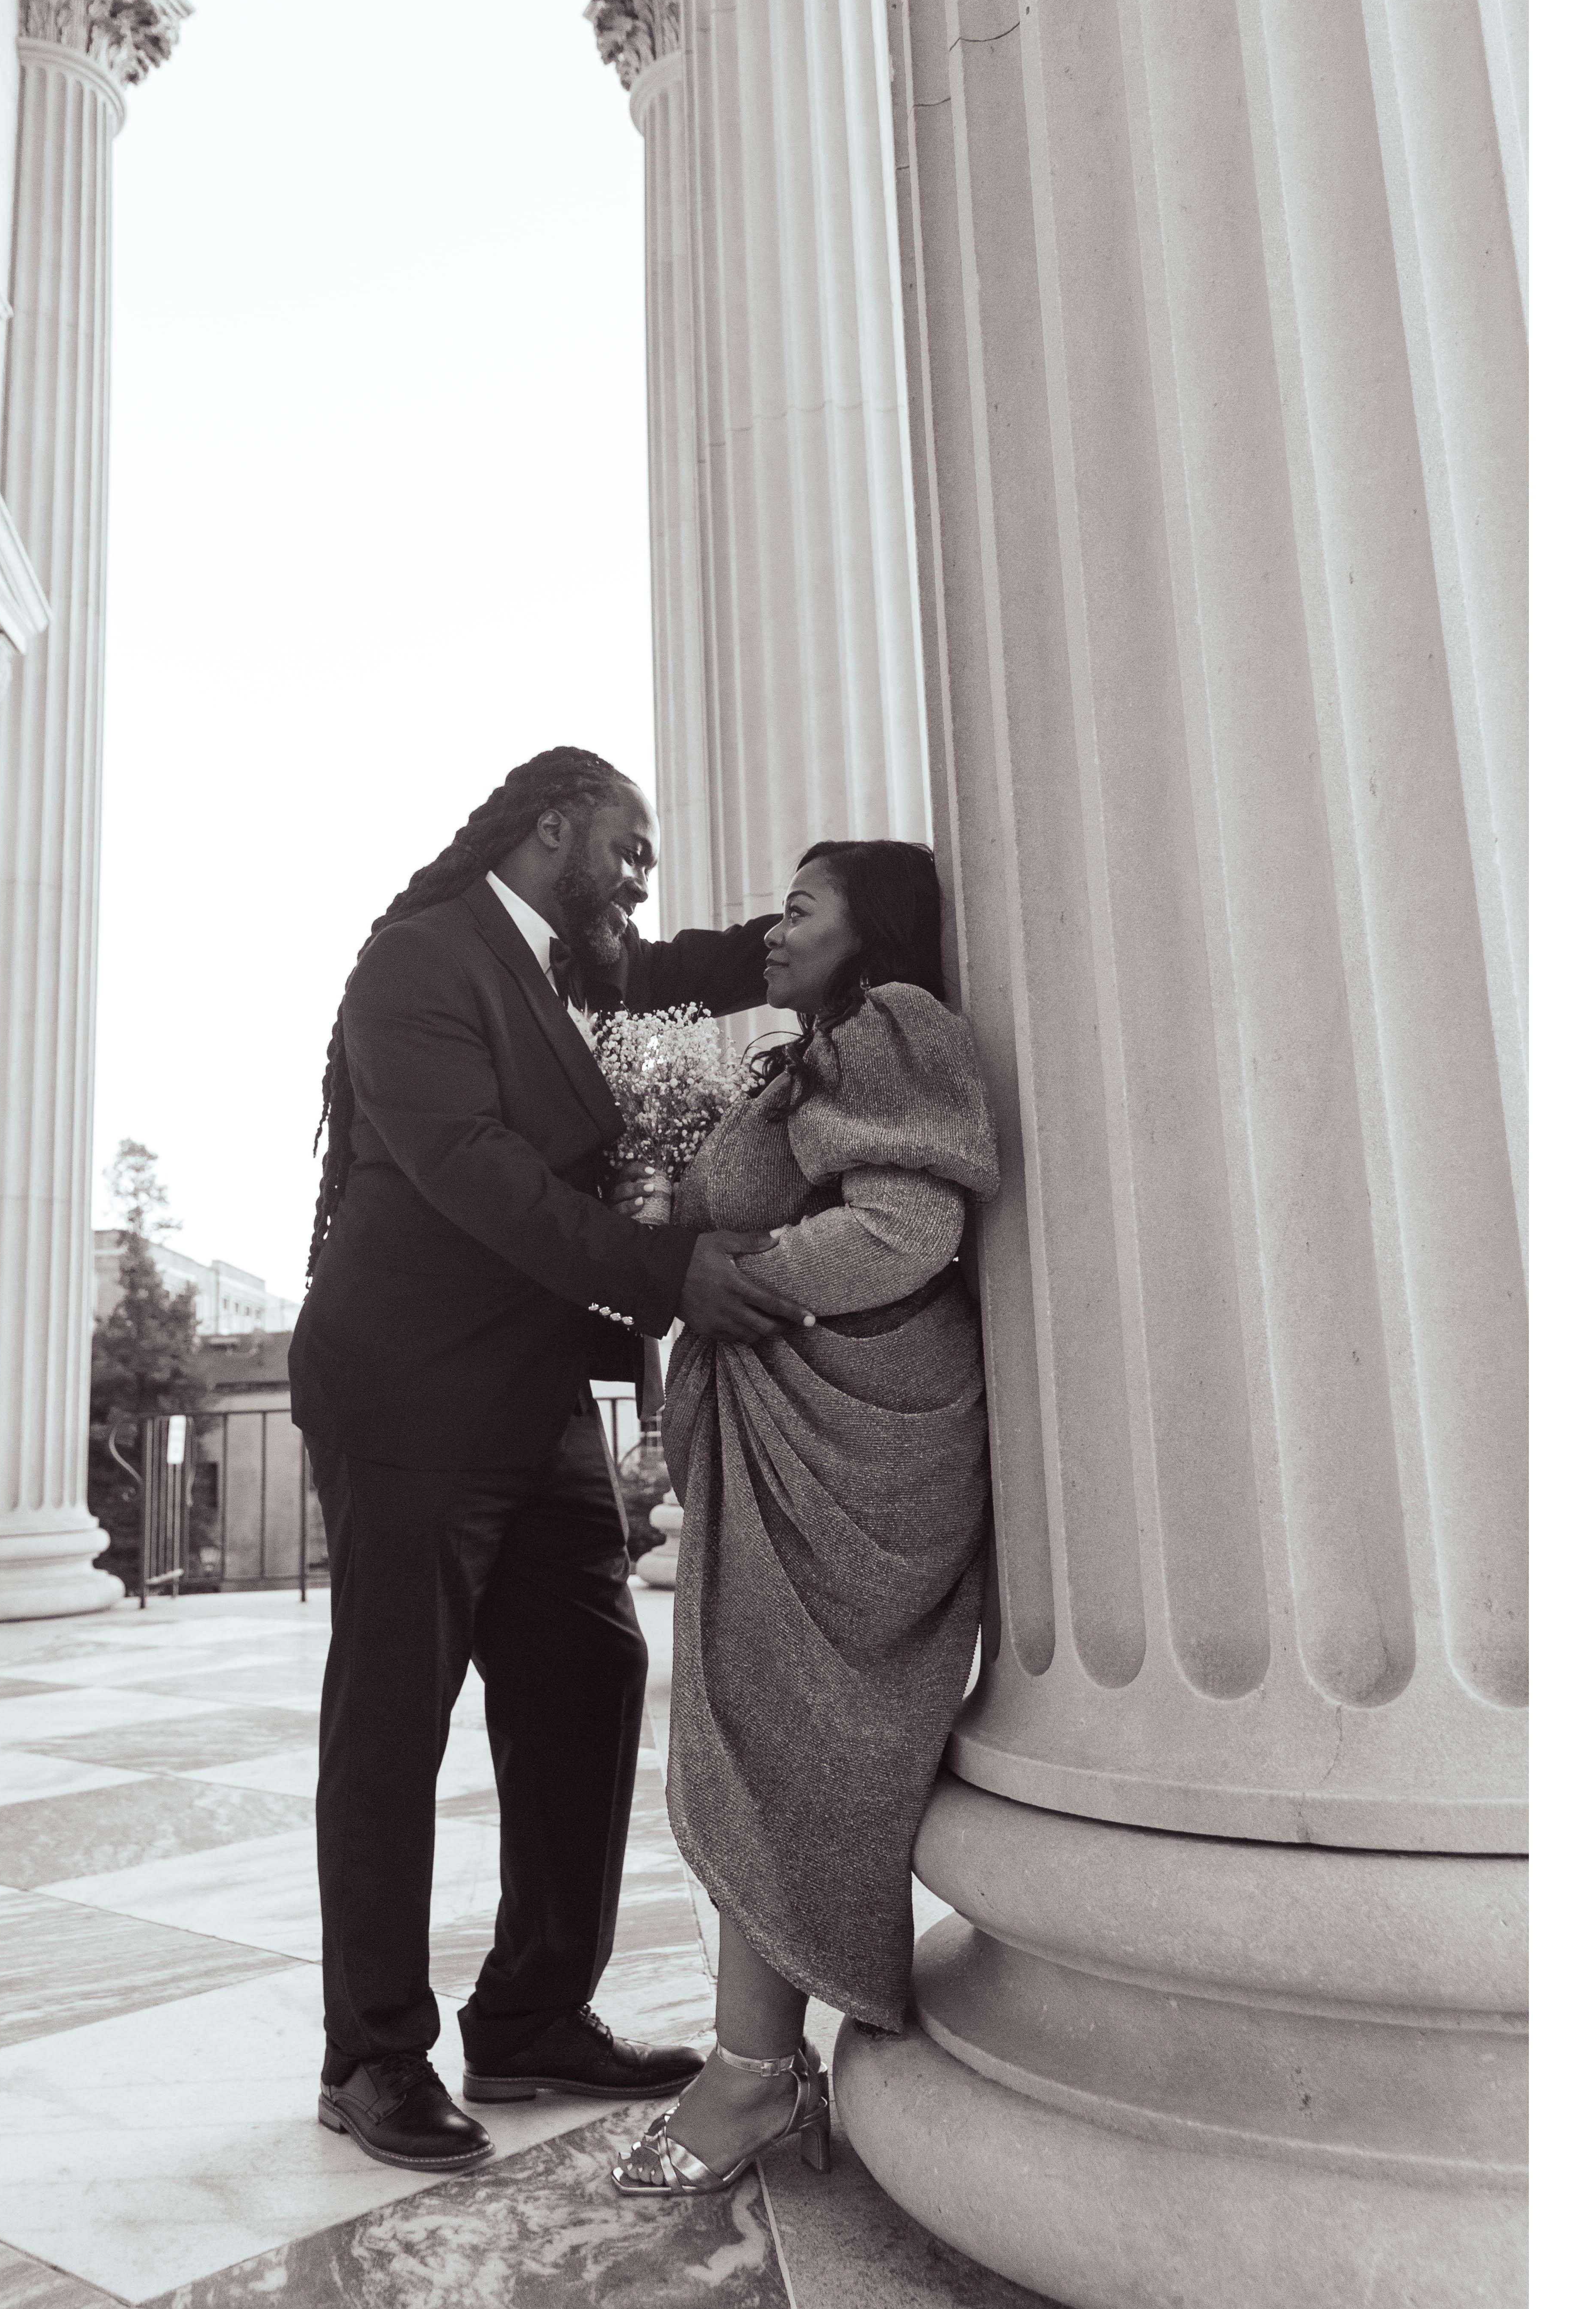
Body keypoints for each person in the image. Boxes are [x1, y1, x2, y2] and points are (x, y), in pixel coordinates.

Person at [289, 744, 804, 2174]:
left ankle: (528, 2015)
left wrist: (833, 926)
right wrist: (670, 1273)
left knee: (591, 1674)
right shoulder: (419, 961)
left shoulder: (581, 964)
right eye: (628, 848)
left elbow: (693, 966)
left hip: (534, 1395)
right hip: (404, 1391)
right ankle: (370, 2053)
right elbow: (478, 1173)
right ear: (553, 825)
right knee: (393, 1715)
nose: (642, 877)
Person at [610, 837, 999, 2198]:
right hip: (798, 1436)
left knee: (789, 1744)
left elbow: (904, 1229)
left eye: (799, 907)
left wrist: (737, 1272)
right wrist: (681, 1224)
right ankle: (759, 2064)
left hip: (857, 1452)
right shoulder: (816, 1052)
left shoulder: (893, 1023)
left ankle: (754, 2076)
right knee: (762, 1735)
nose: (770, 932)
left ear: (868, 926)